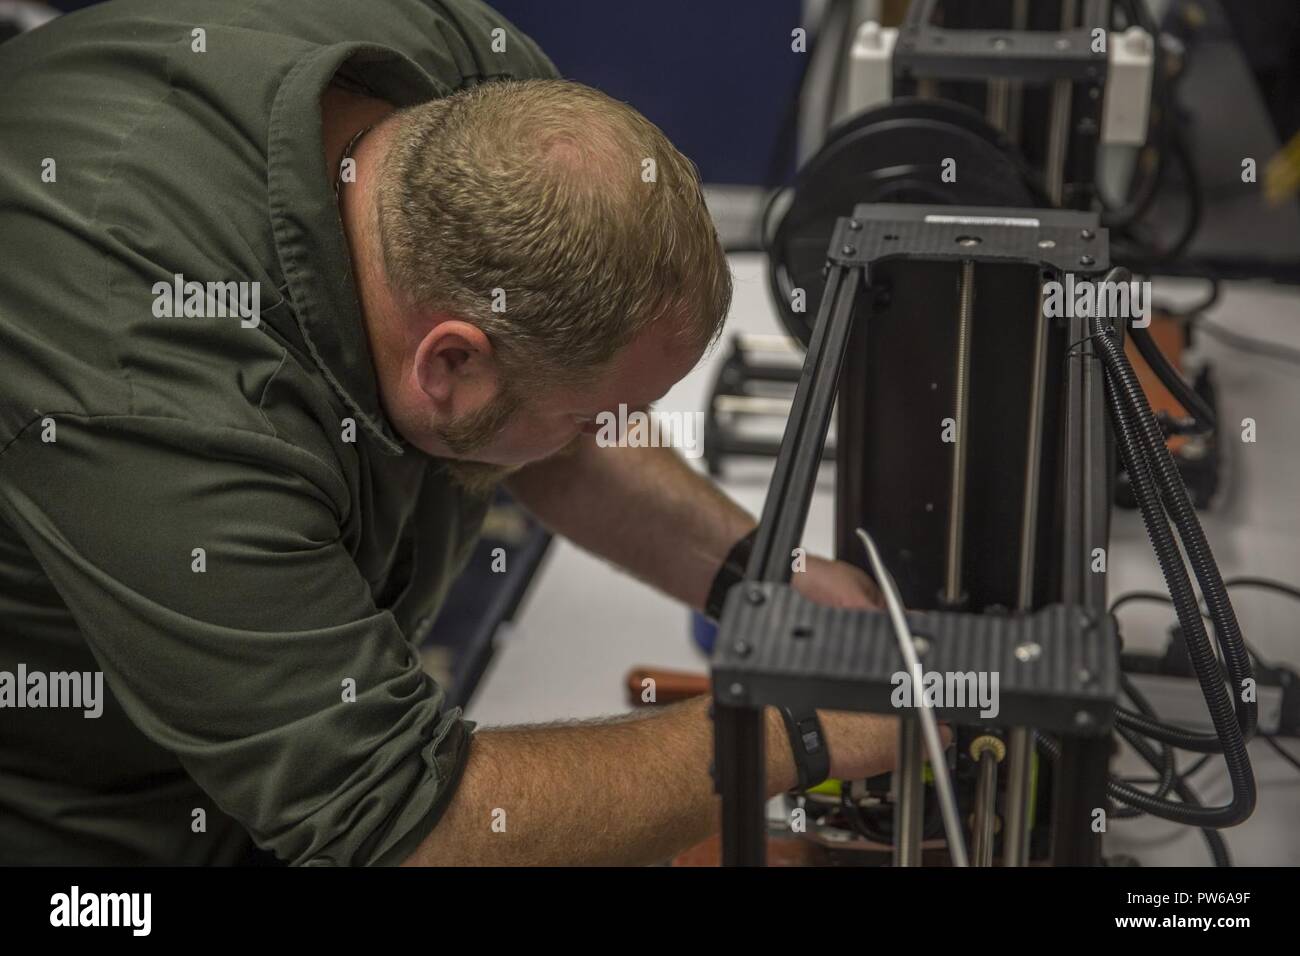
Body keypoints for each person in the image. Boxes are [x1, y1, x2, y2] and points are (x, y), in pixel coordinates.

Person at [0, 0, 903, 866]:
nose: (612, 432)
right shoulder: (161, 407)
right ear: (449, 366)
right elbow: (405, 825)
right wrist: (803, 728)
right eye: (593, 416)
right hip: (85, 810)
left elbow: (559, 420)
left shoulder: (470, 85)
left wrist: (760, 580)